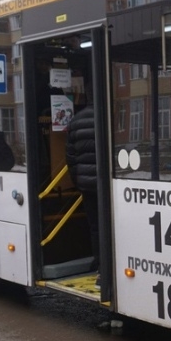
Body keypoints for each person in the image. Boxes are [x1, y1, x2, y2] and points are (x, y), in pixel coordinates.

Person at [65, 105, 99, 277]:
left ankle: (98, 260)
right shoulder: (107, 115)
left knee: (95, 226)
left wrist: (77, 181)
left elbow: (70, 157)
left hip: (86, 184)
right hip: (105, 184)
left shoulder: (75, 121)